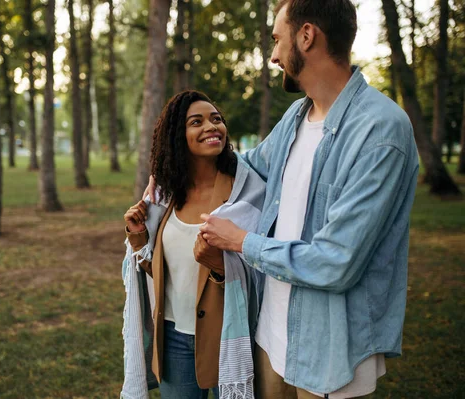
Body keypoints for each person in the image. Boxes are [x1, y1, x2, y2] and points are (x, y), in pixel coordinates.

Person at [148, 1, 419, 398]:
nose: (274, 55)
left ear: (306, 37)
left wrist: (240, 241)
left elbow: (336, 261)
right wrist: (168, 175)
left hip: (329, 352)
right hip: (270, 338)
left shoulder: (380, 131)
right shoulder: (296, 117)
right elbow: (245, 167)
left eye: (277, 39)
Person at [121, 90, 266, 399]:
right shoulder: (166, 195)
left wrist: (220, 267)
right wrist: (138, 237)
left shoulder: (246, 192)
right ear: (178, 135)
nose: (211, 127)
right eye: (196, 122)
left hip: (227, 337)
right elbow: (162, 273)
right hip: (173, 339)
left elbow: (265, 269)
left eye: (216, 119)